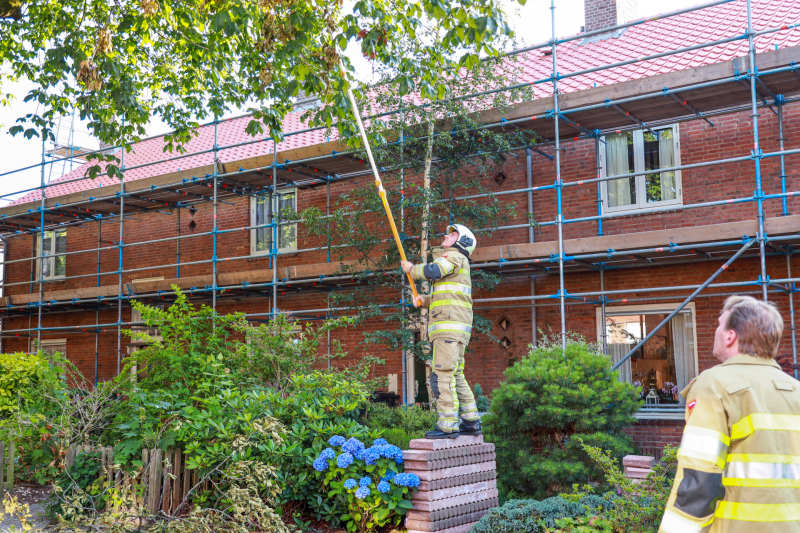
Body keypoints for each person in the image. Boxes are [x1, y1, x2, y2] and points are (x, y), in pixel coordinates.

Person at [659, 295, 800, 533]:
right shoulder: (795, 390)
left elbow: (699, 480)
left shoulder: (714, 385)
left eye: (718, 324)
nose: (715, 330)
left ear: (730, 336)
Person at [401, 224, 481, 439]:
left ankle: (447, 426)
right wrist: (424, 301)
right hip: (455, 329)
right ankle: (472, 421)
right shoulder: (458, 262)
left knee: (442, 376)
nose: (446, 235)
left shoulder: (453, 256)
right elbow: (448, 297)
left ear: (461, 242)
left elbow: (433, 271)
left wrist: (412, 269)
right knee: (456, 375)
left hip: (448, 329)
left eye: (452, 234)